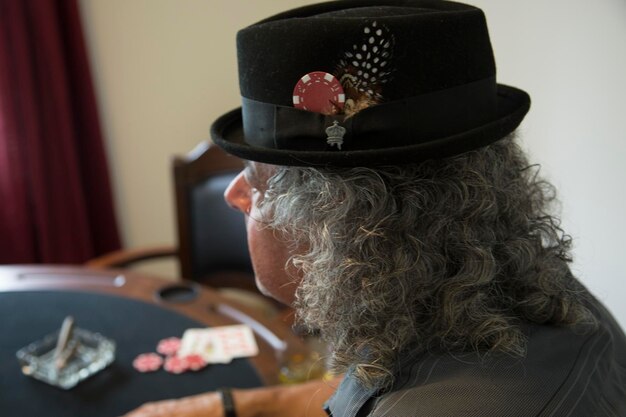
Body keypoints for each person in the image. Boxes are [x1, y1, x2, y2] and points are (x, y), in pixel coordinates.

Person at [123, 1, 626, 416]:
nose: (234, 192)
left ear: (341, 225)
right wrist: (225, 406)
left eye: (256, 181)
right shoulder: (531, 288)